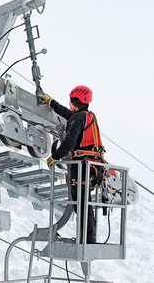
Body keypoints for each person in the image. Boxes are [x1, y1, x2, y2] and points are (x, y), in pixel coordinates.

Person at [40, 86, 105, 244]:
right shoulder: (87, 116)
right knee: (83, 202)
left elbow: (69, 142)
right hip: (93, 165)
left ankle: (87, 239)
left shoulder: (78, 119)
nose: (69, 103)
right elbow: (69, 115)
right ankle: (87, 237)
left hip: (83, 166)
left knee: (81, 202)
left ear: (75, 101)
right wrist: (51, 103)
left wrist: (54, 157)